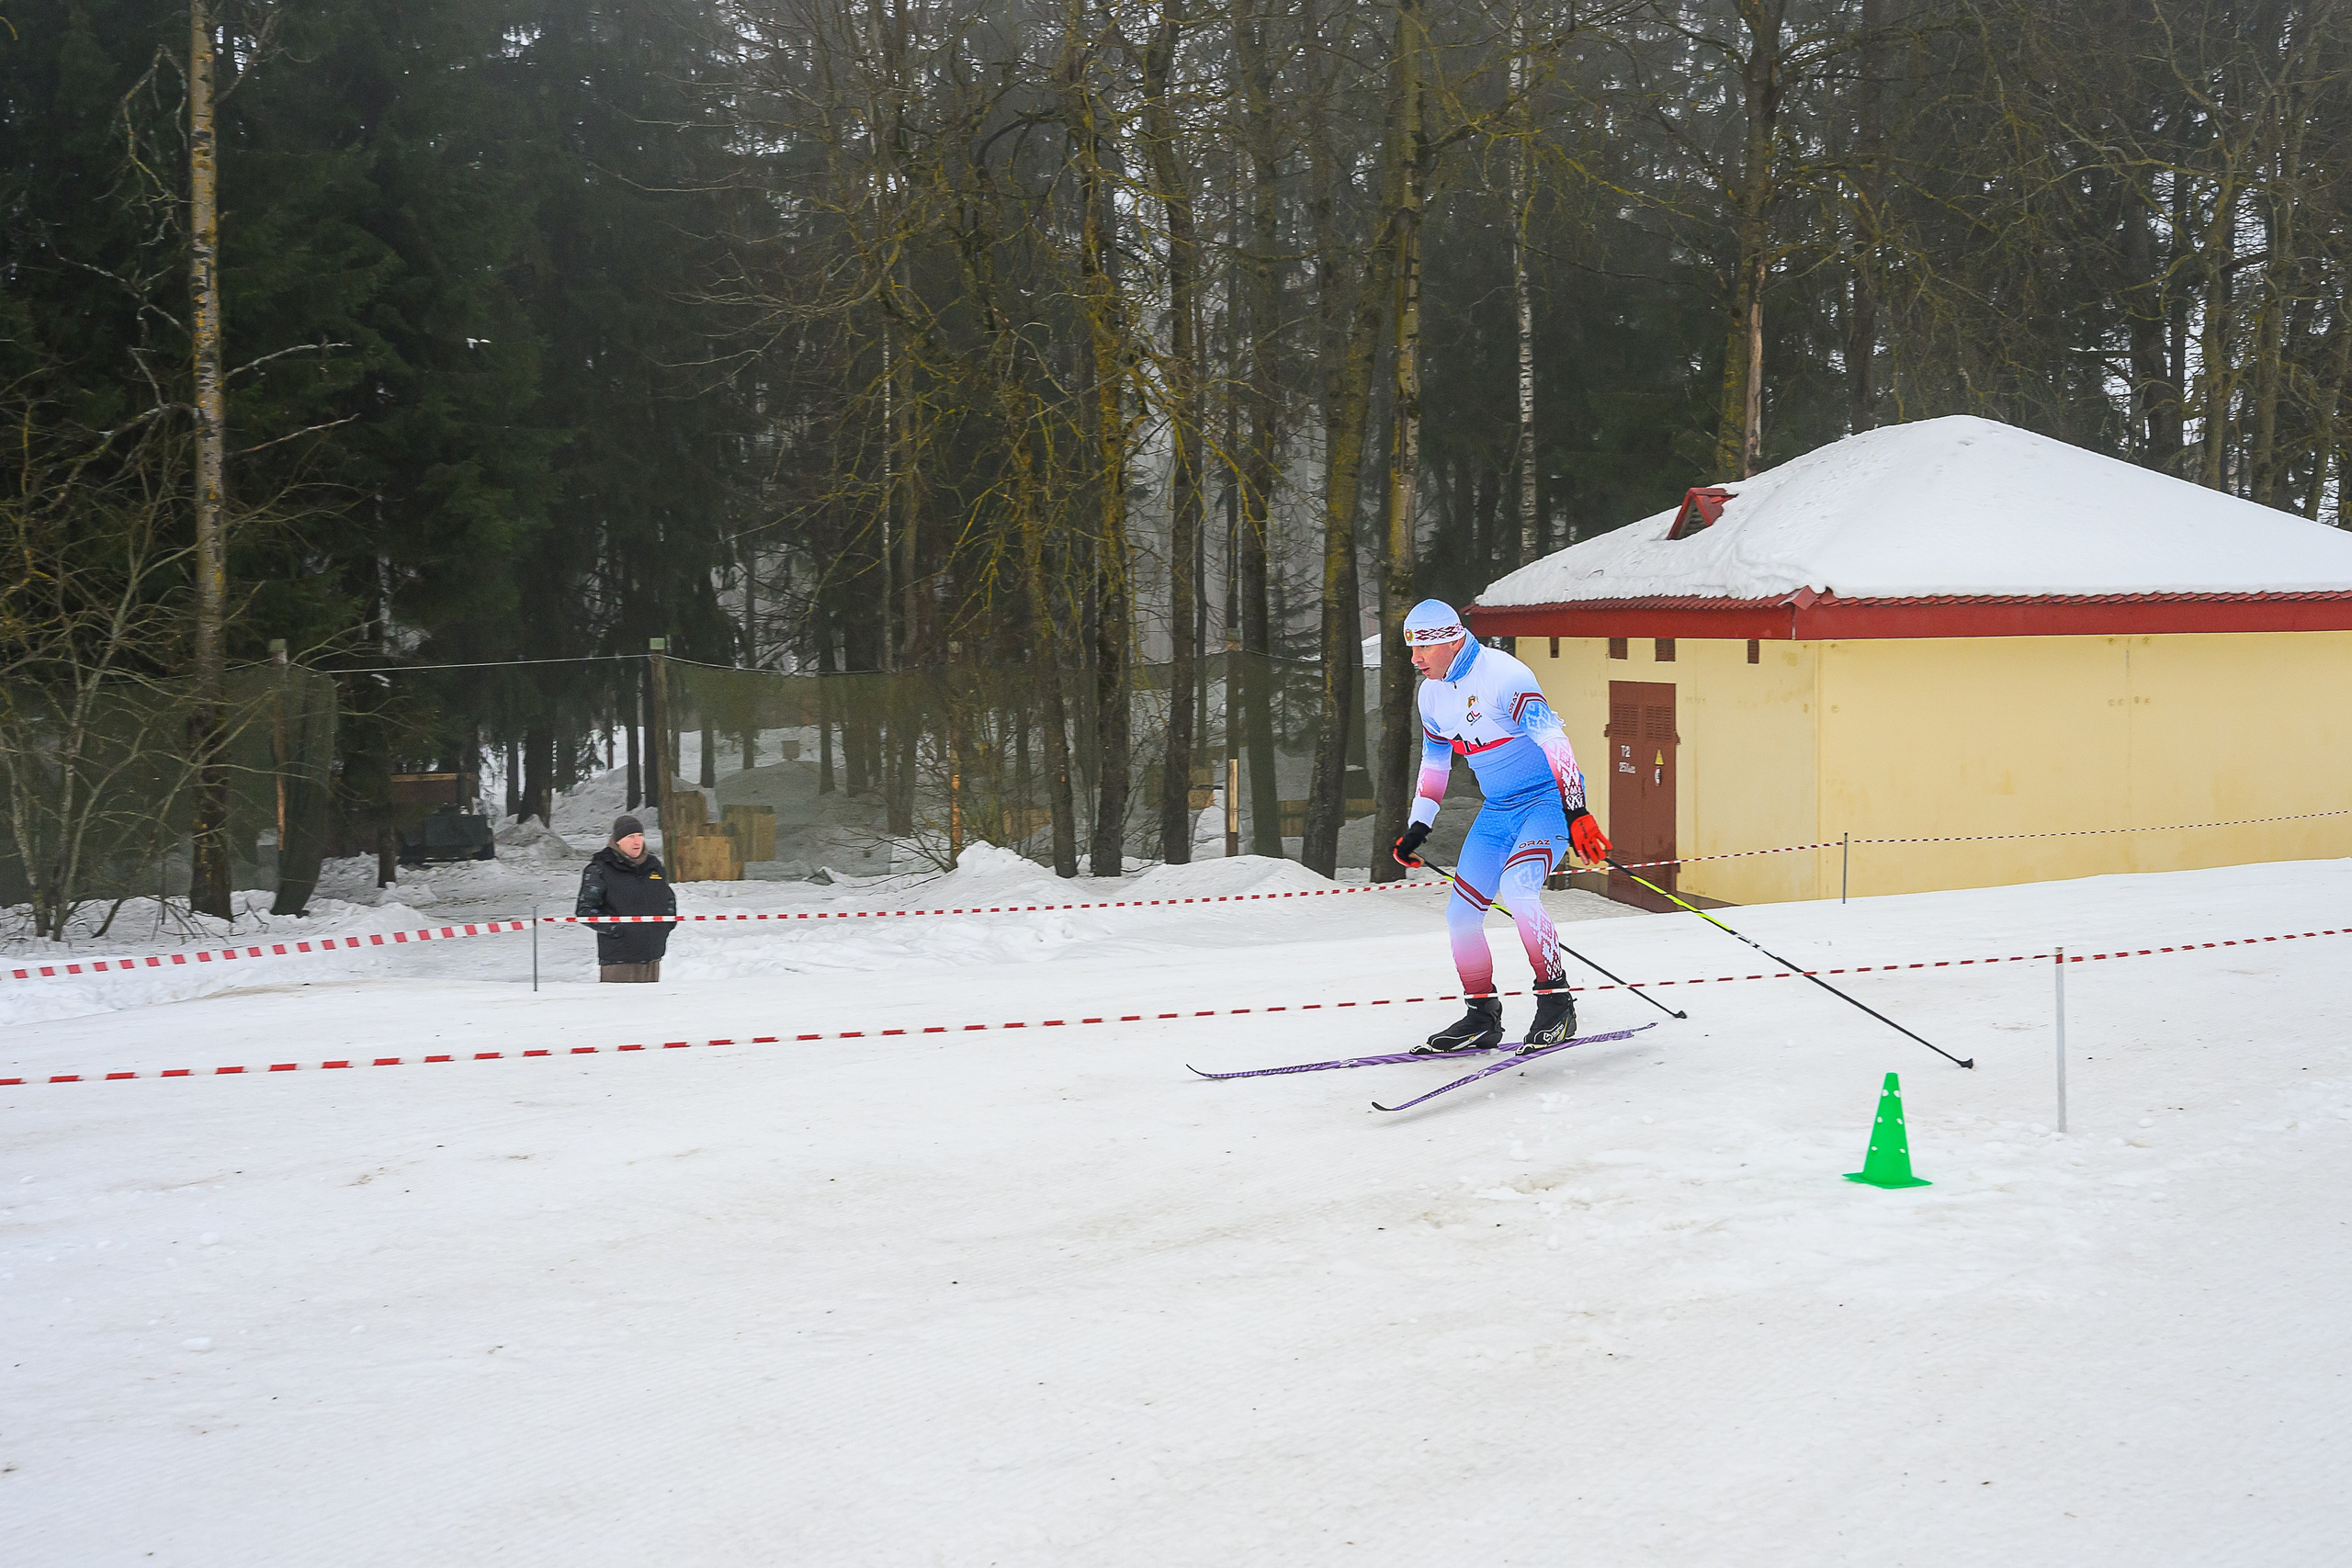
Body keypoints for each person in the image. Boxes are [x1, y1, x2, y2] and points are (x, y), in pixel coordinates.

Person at [1390, 599, 1611, 1053]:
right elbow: (1435, 763)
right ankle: (1482, 1015)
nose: (1414, 658)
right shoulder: (1430, 694)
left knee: (1519, 889)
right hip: (1499, 809)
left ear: (1451, 640)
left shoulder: (1504, 675)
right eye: (1410, 646)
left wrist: (1578, 810)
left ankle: (1556, 1004)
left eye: (1423, 647)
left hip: (1547, 801)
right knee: (1460, 914)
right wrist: (1419, 826)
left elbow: (1555, 740)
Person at [577, 814, 678, 983]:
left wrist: (665, 926)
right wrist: (617, 929)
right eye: (630, 837)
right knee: (619, 1008)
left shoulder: (654, 867)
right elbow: (585, 911)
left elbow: (669, 900)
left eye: (640, 836)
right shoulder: (600, 869)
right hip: (619, 961)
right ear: (617, 841)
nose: (637, 841)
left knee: (652, 1008)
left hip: (652, 957)